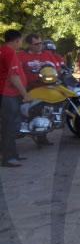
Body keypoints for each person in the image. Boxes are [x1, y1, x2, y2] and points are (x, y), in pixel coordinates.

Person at [1, 30, 30, 167]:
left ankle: (12, 154)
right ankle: (8, 158)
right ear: (16, 40)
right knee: (10, 126)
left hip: (6, 94)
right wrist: (25, 94)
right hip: (8, 95)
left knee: (8, 126)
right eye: (21, 40)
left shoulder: (3, 51)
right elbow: (13, 77)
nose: (21, 43)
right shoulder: (9, 52)